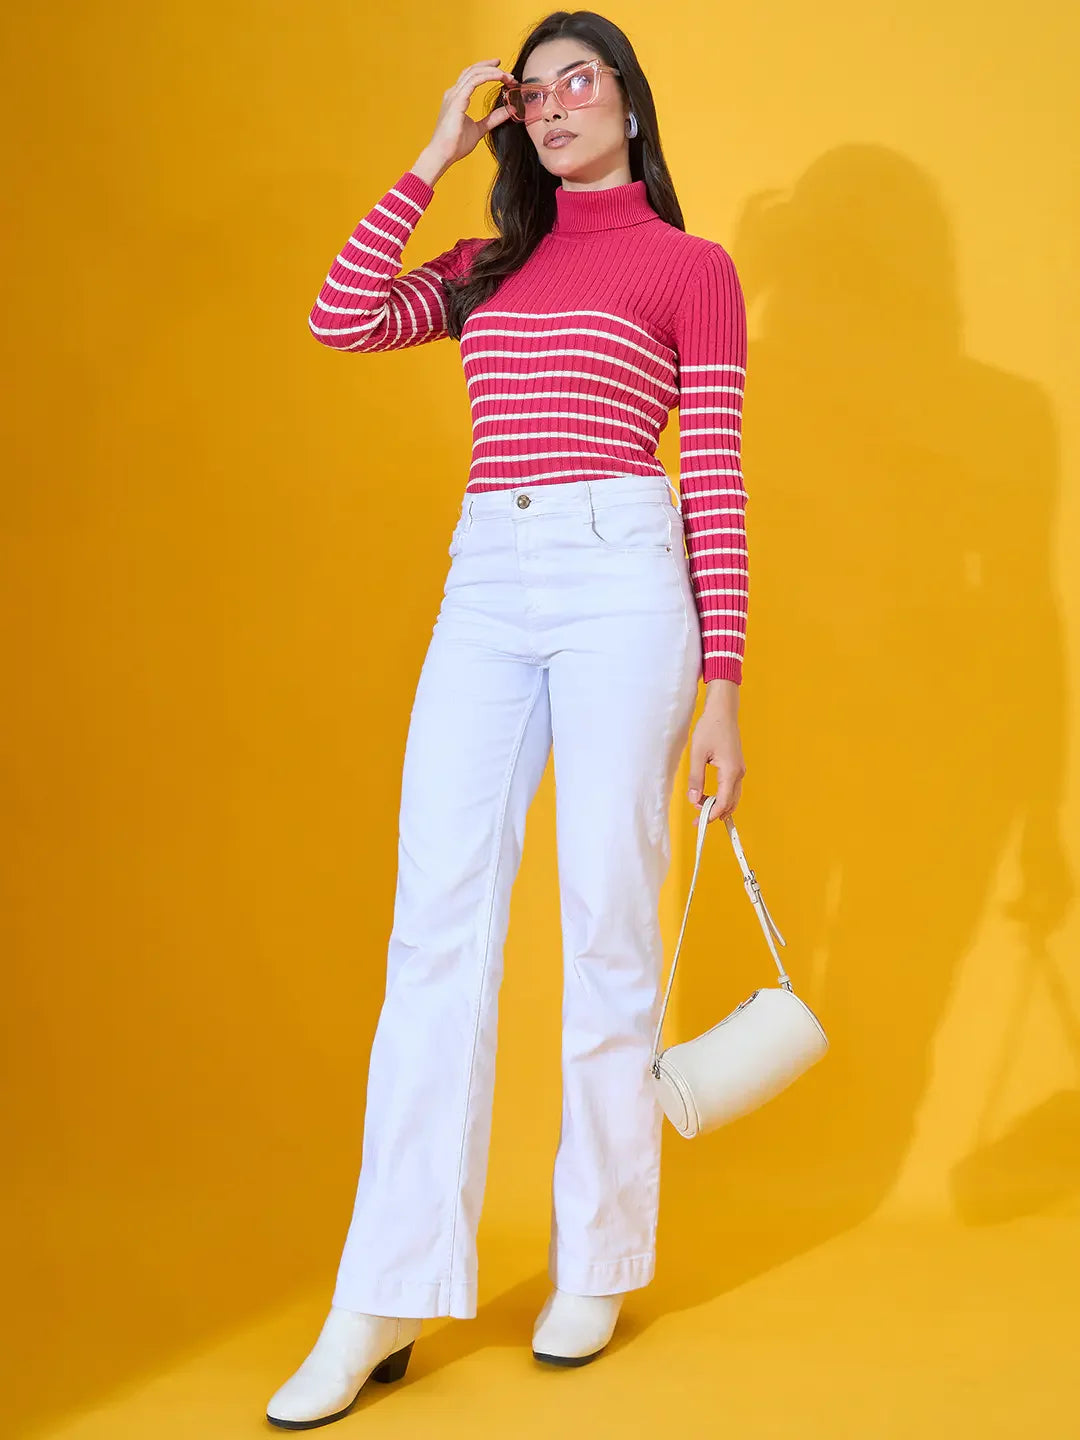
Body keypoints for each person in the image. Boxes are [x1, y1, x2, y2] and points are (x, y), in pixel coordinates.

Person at [267, 10, 749, 1428]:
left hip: (624, 573)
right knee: (437, 925)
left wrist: (726, 685)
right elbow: (342, 315)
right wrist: (431, 154)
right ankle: (386, 1288)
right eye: (530, 92)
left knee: (605, 916)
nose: (551, 105)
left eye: (577, 81)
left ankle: (597, 1255)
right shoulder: (489, 264)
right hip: (486, 572)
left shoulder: (691, 269)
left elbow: (715, 473)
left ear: (630, 105)